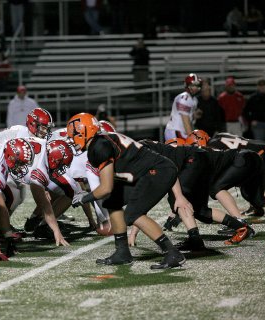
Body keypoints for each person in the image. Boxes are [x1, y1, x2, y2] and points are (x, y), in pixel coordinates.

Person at [67, 113, 191, 269]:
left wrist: (85, 198)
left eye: (73, 135)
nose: (72, 139)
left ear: (83, 131)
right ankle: (122, 252)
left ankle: (173, 253)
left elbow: (106, 187)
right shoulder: (103, 140)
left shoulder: (99, 147)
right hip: (146, 172)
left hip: (158, 171)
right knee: (113, 200)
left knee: (133, 214)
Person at [164, 73, 202, 141]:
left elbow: (187, 118)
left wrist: (193, 115)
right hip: (175, 131)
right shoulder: (184, 98)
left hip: (179, 131)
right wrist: (192, 138)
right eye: (192, 85)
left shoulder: (194, 99)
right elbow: (186, 122)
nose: (195, 88)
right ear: (187, 85)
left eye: (197, 85)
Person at [243, 79, 265, 144]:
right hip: (258, 125)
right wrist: (251, 120)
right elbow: (245, 111)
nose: (262, 87)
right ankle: (261, 154)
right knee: (260, 145)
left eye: (263, 85)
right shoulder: (253, 97)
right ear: (257, 86)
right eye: (260, 85)